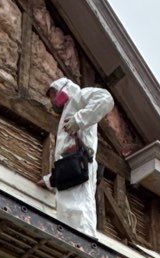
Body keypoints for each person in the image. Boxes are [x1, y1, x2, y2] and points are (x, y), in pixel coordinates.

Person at [36, 77, 114, 236]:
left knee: (80, 209)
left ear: (62, 90)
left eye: (53, 94)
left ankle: (84, 240)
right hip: (70, 169)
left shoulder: (79, 97)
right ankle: (71, 238)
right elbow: (65, 157)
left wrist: (78, 120)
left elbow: (106, 99)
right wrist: (49, 180)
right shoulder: (68, 109)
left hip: (79, 165)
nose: (52, 100)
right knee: (67, 211)